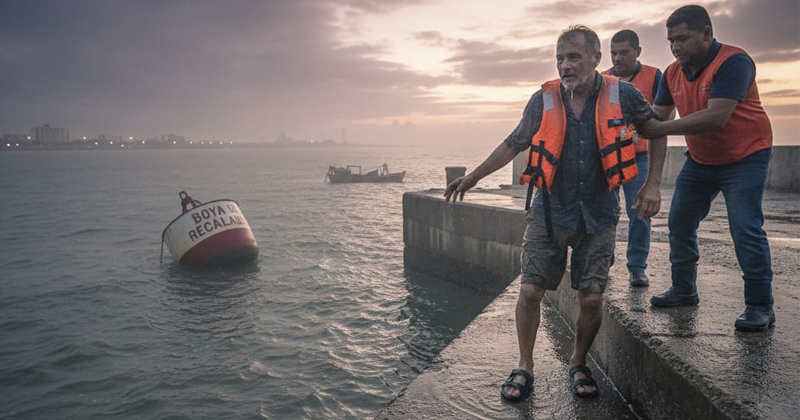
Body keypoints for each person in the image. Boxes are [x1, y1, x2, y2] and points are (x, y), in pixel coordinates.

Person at [444, 25, 663, 401]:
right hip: (549, 212)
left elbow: (656, 130)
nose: (565, 65)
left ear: (596, 59)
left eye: (574, 57)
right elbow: (514, 142)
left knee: (591, 298)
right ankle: (525, 364)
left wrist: (653, 183)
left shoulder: (622, 94)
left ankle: (578, 362)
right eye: (560, 58)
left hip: (598, 215)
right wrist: (474, 177)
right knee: (530, 289)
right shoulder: (542, 99)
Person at [636, 5, 774, 332]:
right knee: (680, 221)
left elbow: (717, 117)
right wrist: (650, 179)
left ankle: (760, 306)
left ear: (707, 34)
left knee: (745, 227)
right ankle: (684, 290)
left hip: (746, 155)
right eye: (671, 41)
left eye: (682, 38)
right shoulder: (671, 73)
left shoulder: (733, 62)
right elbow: (656, 121)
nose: (676, 47)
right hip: (700, 159)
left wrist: (657, 128)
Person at [601, 30, 663, 288]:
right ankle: (602, 263)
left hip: (638, 159)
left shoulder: (654, 76)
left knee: (639, 213)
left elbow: (660, 119)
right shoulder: (602, 79)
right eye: (613, 53)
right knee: (604, 213)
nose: (617, 58)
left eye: (624, 52)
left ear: (637, 51)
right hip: (607, 159)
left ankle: (637, 268)